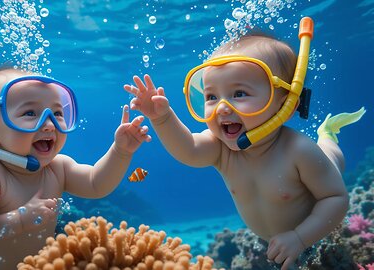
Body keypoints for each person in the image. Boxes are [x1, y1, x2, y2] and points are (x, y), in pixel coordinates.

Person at [124, 19, 365, 270]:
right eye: (211, 97)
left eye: (239, 93)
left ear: (287, 104)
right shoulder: (221, 147)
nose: (222, 107)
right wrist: (161, 118)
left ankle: (326, 133)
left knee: (332, 157)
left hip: (314, 204)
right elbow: (188, 150)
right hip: (276, 239)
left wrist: (300, 238)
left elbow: (336, 198)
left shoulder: (300, 151)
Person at [0, 66, 152, 269]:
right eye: (30, 113)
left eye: (57, 112)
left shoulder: (58, 167)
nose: (49, 124)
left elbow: (96, 184)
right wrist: (13, 219)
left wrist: (121, 151)